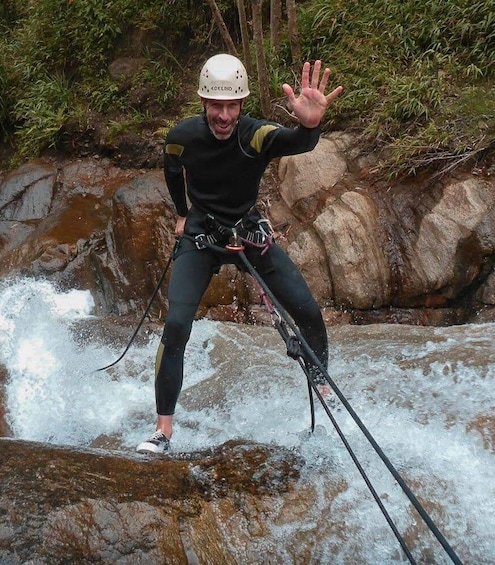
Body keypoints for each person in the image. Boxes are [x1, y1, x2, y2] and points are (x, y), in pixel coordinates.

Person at [138, 54, 343, 453]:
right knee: (177, 325)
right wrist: (182, 213)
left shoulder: (255, 136)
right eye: (217, 105)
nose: (225, 115)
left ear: (242, 105)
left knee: (307, 311)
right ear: (203, 102)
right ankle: (163, 430)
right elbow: (170, 168)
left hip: (248, 231)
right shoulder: (181, 137)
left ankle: (321, 385)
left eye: (233, 105)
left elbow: (299, 141)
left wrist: (311, 123)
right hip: (202, 236)